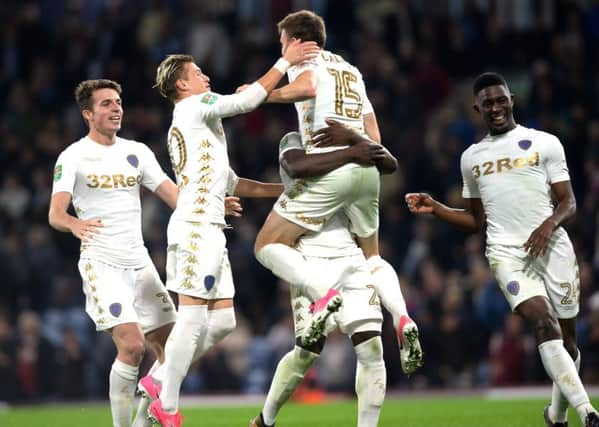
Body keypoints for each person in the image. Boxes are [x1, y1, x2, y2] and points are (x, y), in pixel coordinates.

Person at [405, 72, 599, 427]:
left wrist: (548, 225)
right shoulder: (472, 158)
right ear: (477, 108)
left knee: (569, 344)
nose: (496, 107)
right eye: (488, 103)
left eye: (501, 99)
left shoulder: (544, 143)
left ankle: (556, 416)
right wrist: (437, 208)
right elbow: (475, 220)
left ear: (512, 100)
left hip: (553, 247)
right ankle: (588, 413)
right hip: (507, 253)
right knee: (543, 323)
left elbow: (569, 202)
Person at [145, 42, 319, 427]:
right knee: (191, 317)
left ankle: (159, 378)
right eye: (197, 73)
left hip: (209, 226)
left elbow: (233, 183)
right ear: (182, 85)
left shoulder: (201, 125)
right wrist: (284, 61)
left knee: (223, 322)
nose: (206, 77)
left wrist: (285, 190)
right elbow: (247, 102)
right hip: (194, 227)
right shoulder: (193, 108)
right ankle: (167, 405)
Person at [251, 10, 413, 350]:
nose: (282, 49)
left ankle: (322, 295)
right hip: (367, 168)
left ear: (297, 41)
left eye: (283, 43)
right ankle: (401, 316)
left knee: (266, 245)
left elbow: (307, 86)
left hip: (330, 169)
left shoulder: (303, 58)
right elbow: (375, 138)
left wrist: (267, 95)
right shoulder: (352, 71)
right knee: (372, 257)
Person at [48, 79, 178, 427]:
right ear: (88, 114)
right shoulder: (73, 155)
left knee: (175, 349)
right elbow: (56, 213)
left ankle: (143, 420)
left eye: (118, 102)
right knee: (133, 347)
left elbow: (174, 196)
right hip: (101, 262)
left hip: (139, 262)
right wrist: (74, 224)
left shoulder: (136, 152)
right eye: (106, 103)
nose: (116, 108)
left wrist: (209, 207)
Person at [250, 131, 389, 427]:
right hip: (306, 256)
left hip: (347, 251)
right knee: (307, 352)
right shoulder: (294, 138)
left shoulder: (349, 135)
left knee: (371, 347)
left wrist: (354, 139)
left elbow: (387, 163)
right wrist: (352, 154)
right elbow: (295, 167)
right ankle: (265, 420)